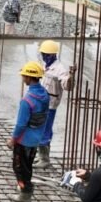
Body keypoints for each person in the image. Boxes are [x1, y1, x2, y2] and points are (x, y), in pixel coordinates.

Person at [6, 61, 49, 202]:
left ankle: (25, 194)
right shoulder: (45, 95)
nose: (23, 78)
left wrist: (13, 140)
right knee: (28, 165)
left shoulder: (27, 100)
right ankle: (26, 188)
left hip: (24, 140)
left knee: (19, 167)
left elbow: (21, 124)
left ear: (30, 78)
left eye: (24, 76)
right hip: (36, 139)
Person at [38, 40, 73, 168]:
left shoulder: (60, 69)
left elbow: (67, 86)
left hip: (50, 105)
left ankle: (45, 159)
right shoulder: (44, 65)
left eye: (47, 55)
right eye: (43, 54)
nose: (45, 57)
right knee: (39, 128)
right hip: (41, 104)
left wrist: (70, 78)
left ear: (54, 55)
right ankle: (40, 156)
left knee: (45, 129)